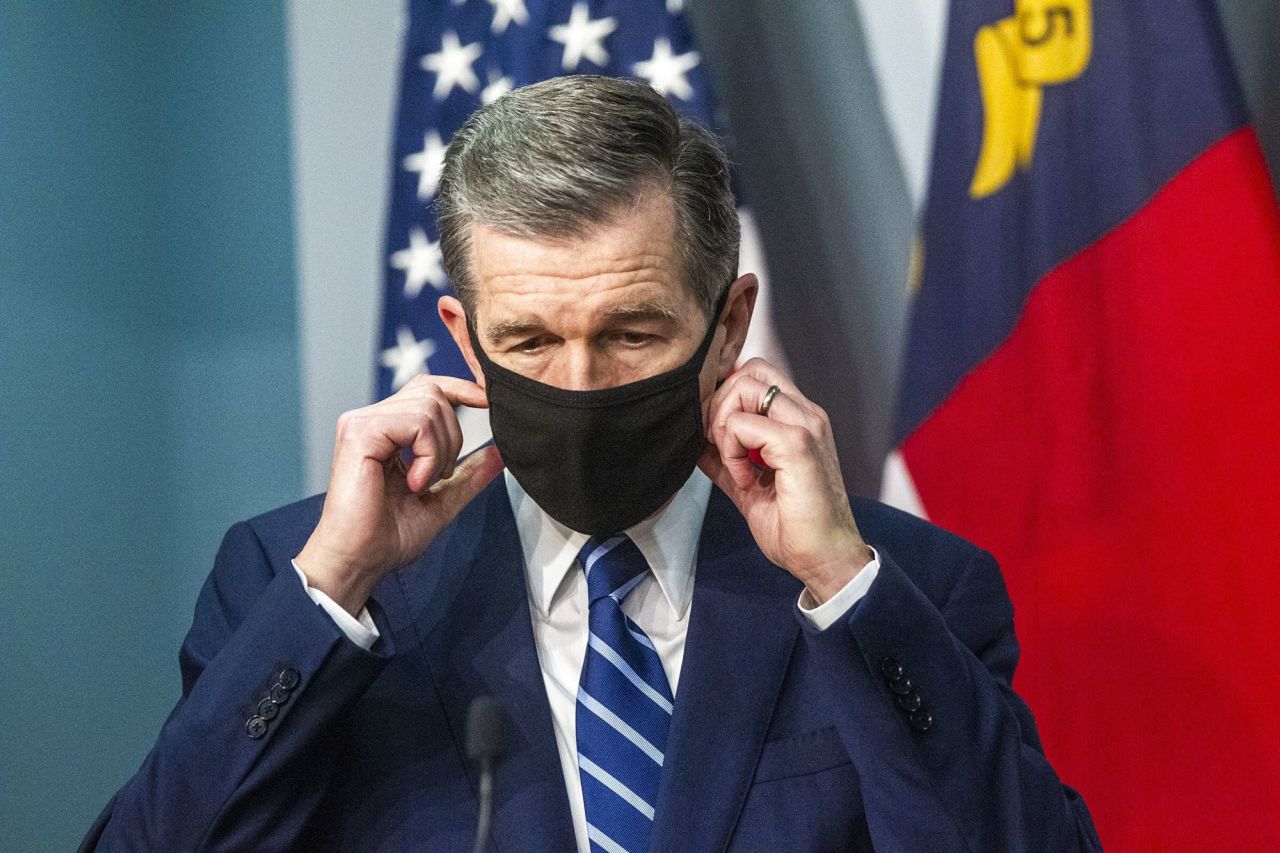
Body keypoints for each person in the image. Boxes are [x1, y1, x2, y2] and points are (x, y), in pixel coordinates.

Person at [82, 75, 1100, 852]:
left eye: (631, 332)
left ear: (727, 323)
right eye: (528, 341)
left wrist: (838, 580)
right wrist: (338, 585)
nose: (578, 382)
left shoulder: (904, 589)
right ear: (465, 340)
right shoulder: (292, 586)